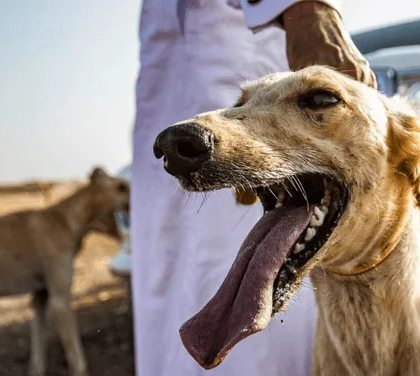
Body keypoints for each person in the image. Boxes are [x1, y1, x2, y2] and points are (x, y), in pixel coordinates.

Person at [130, 1, 375, 375]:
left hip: (247, 30)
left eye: (319, 101)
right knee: (169, 270)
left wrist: (309, 9)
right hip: (166, 56)